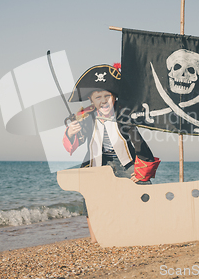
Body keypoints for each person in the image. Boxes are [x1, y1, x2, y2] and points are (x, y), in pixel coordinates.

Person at [63, 64, 160, 242]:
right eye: (98, 96)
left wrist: (142, 171)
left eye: (108, 95)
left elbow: (138, 141)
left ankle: (144, 230)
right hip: (97, 162)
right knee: (90, 197)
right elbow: (77, 141)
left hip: (126, 160)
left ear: (115, 97)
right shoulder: (85, 117)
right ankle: (95, 238)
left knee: (143, 189)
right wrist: (71, 133)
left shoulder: (125, 114)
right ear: (91, 99)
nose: (103, 100)